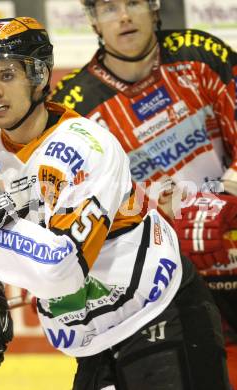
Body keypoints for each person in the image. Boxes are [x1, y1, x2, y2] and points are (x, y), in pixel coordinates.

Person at [0, 17, 230, 389]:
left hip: (161, 317)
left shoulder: (85, 147)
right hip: (91, 343)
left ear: (38, 77)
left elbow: (61, 269)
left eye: (6, 75)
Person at [52, 0, 237, 386]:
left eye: (133, 2)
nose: (123, 16)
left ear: (154, 9)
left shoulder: (201, 55)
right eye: (107, 8)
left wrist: (225, 199)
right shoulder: (75, 110)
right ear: (92, 22)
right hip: (162, 280)